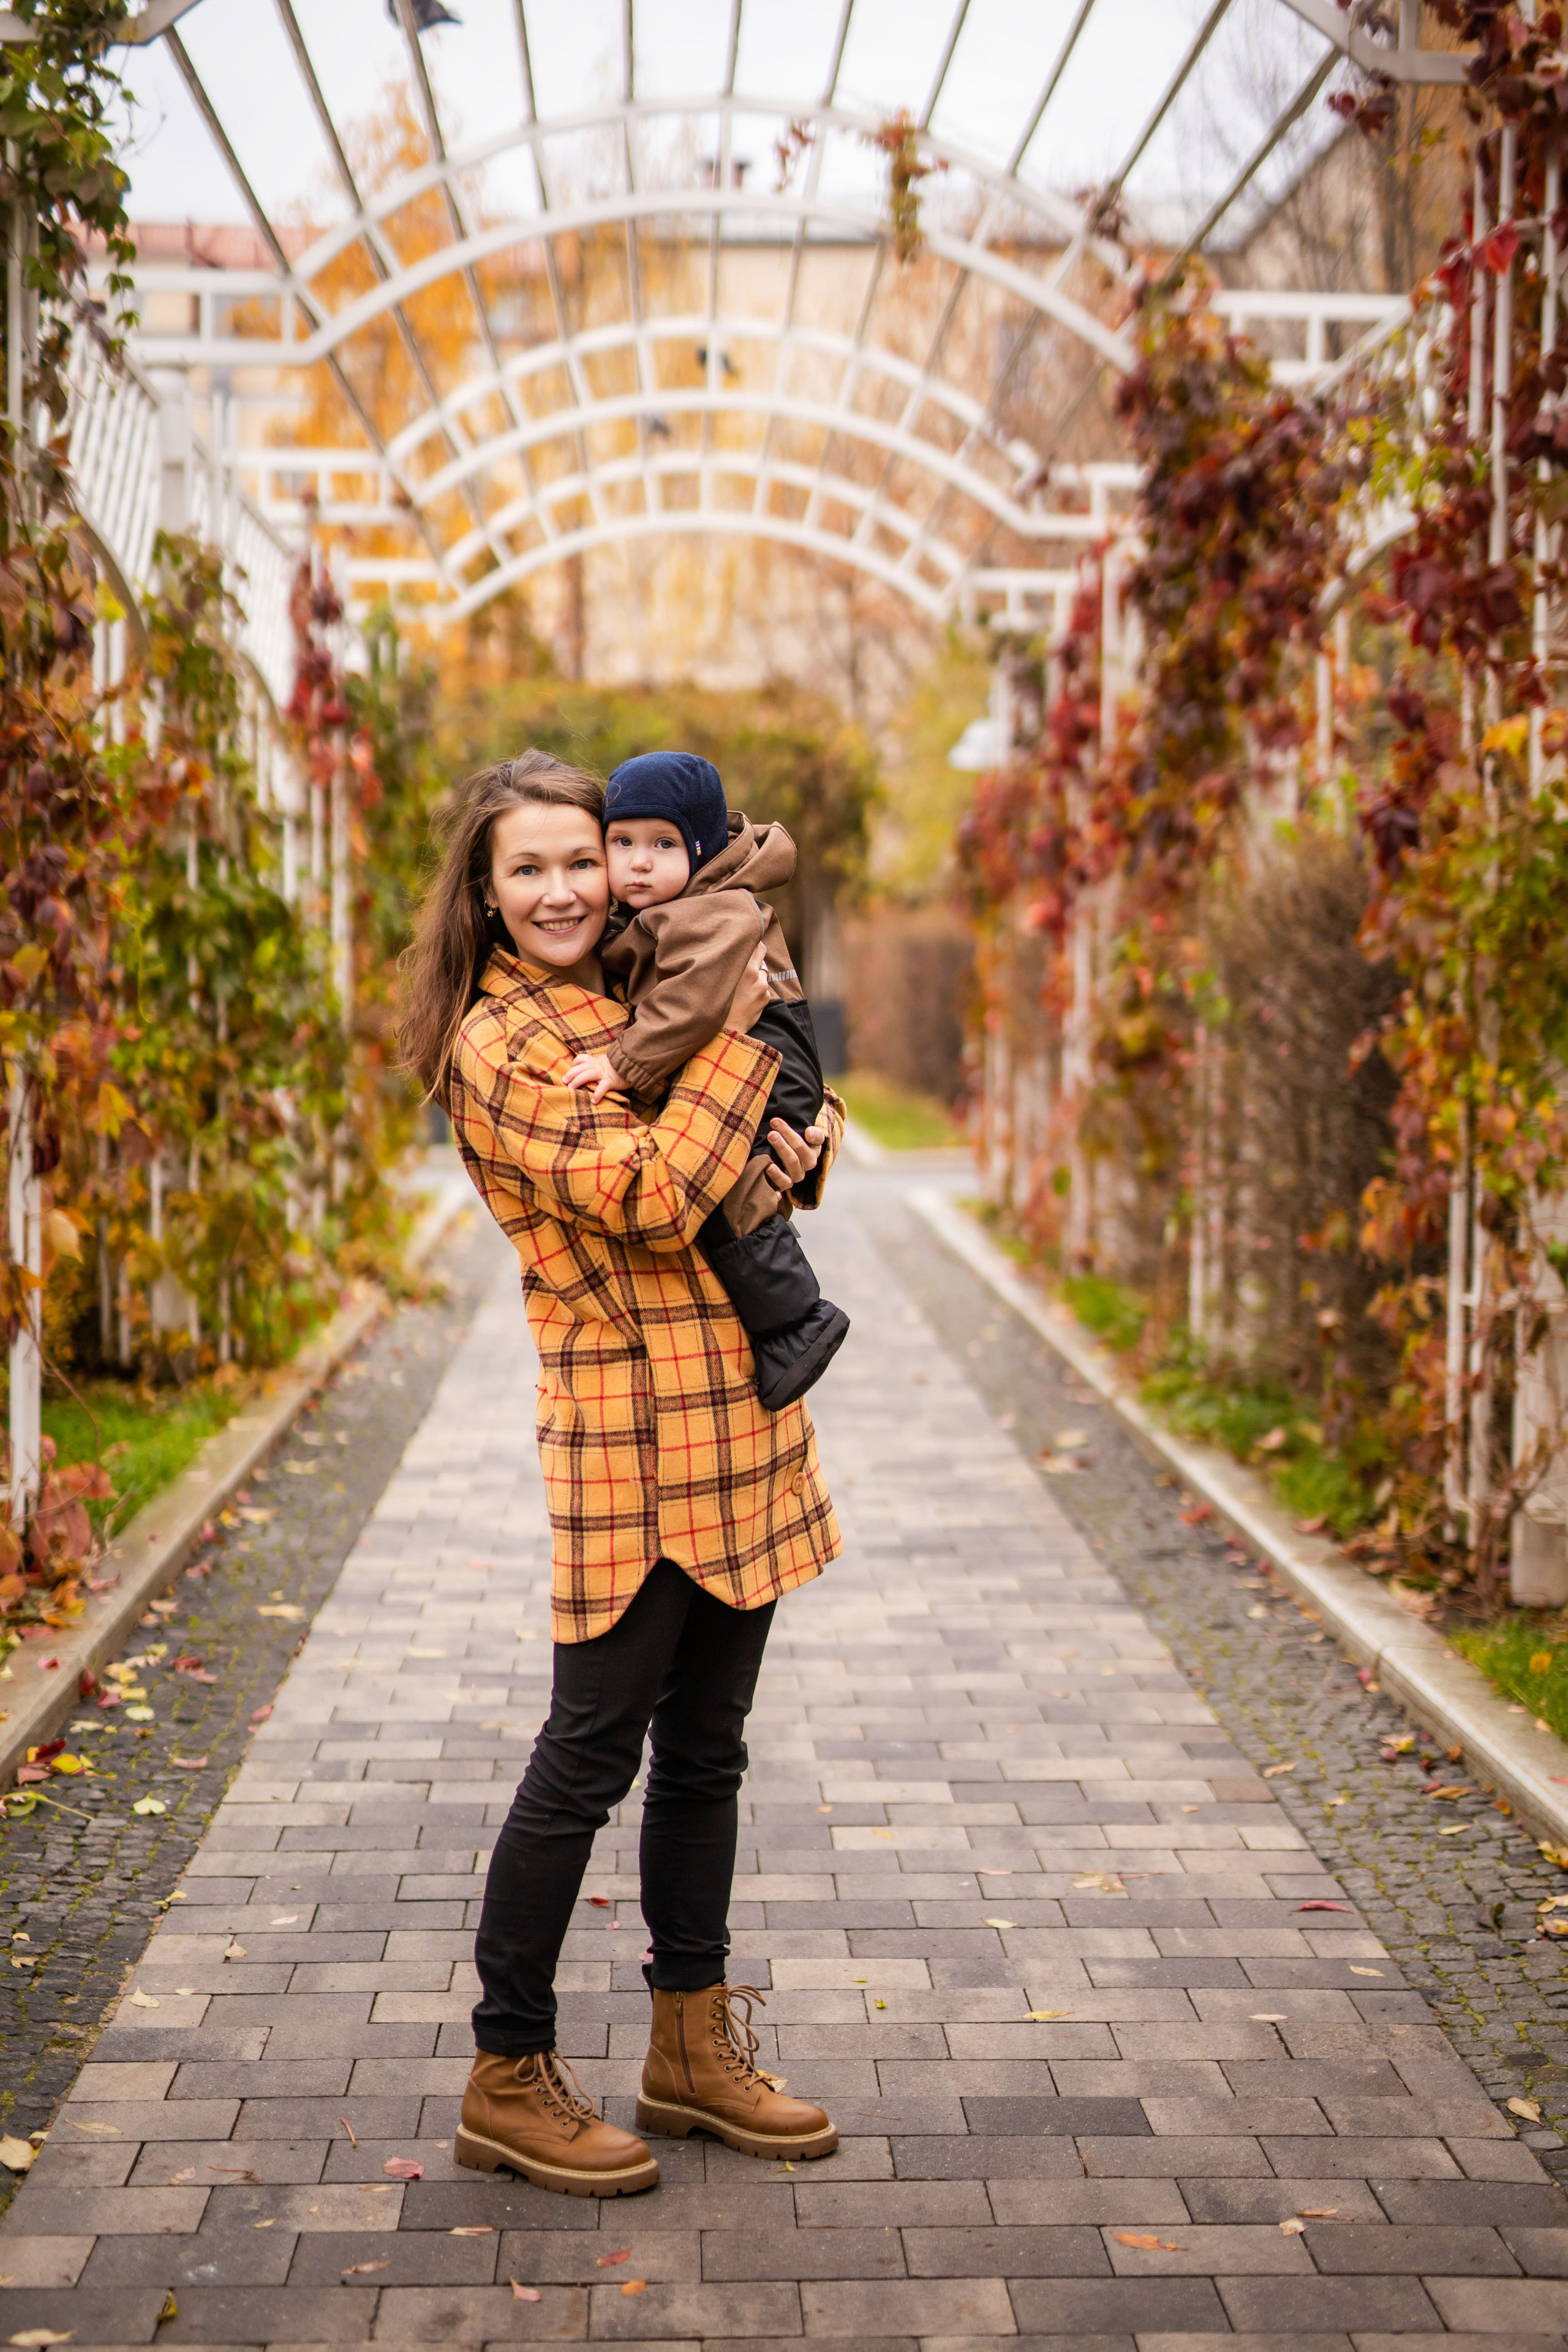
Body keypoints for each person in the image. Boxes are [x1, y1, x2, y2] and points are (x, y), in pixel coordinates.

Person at [399, 749, 843, 2200]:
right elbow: (656, 1196)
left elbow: (750, 1172)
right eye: (524, 867)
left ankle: (688, 2045)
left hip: (739, 1418)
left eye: (579, 859)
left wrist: (801, 1123)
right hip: (631, 1449)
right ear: (481, 888)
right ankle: (507, 2065)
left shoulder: (632, 989)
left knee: (706, 1753)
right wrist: (755, 1037)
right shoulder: (504, 1046)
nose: (561, 888)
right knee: (588, 1752)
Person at [560, 748, 850, 1411]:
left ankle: (796, 1322)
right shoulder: (677, 904)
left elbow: (692, 1003)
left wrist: (622, 1064)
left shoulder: (711, 910)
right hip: (761, 1056)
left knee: (729, 1193)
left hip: (774, 1058)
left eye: (661, 844)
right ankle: (789, 1324)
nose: (637, 861)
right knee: (732, 1183)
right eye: (621, 843)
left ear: (698, 851)